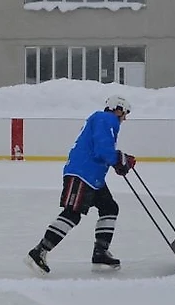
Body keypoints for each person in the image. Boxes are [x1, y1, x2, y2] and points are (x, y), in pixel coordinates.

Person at [25, 95, 136, 274]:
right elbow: (103, 150)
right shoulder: (106, 118)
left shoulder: (102, 120)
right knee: (72, 214)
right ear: (118, 109)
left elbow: (101, 149)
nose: (125, 118)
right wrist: (118, 159)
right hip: (83, 175)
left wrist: (119, 160)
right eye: (125, 113)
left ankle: (100, 253)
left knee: (109, 207)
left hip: (93, 177)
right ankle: (39, 251)